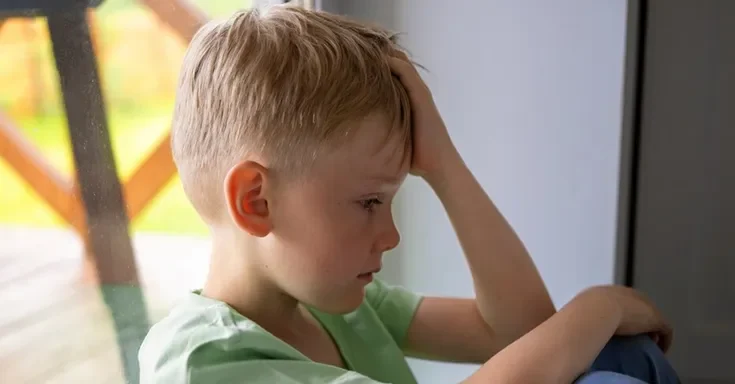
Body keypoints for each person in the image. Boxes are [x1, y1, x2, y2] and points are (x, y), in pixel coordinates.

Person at [138, 5, 681, 384]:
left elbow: (521, 332)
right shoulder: (201, 363)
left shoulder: (341, 308)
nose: (391, 235)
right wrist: (598, 305)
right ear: (256, 201)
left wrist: (443, 165)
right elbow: (549, 339)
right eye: (370, 202)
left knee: (618, 355)